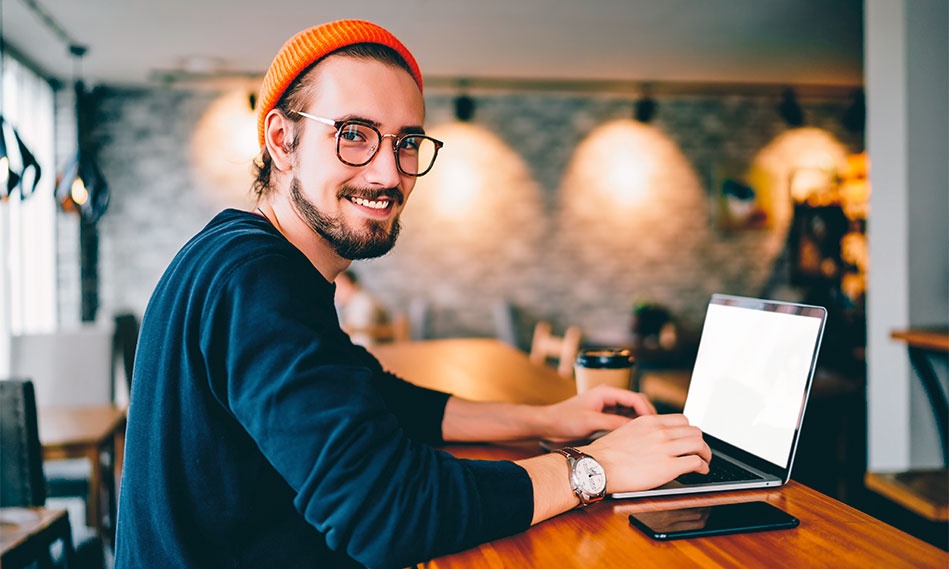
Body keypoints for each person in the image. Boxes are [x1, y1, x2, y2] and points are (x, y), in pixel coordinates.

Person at [114, 19, 710, 569]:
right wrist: (595, 468)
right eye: (353, 134)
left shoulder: (244, 251)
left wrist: (545, 417)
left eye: (405, 142)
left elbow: (377, 396)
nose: (387, 173)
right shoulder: (257, 277)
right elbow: (387, 512)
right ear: (282, 138)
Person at [334, 269, 389, 345]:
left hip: (373, 349)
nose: (337, 292)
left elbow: (360, 338)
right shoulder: (358, 301)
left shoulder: (361, 303)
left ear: (353, 285)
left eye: (341, 286)